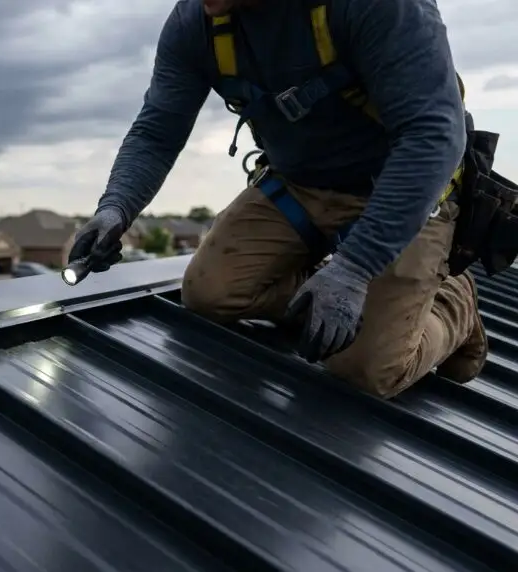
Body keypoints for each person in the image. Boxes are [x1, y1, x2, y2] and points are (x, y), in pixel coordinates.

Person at [67, 0, 487, 399]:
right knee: (209, 293)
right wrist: (116, 207)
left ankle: (453, 301)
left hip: (402, 192)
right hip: (298, 186)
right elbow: (157, 132)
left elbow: (433, 136)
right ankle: (334, 293)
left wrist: (356, 267)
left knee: (366, 369)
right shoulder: (196, 23)